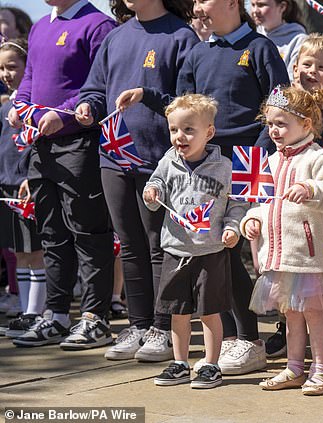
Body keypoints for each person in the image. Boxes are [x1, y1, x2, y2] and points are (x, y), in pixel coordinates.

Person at [76, 0, 200, 362]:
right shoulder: (115, 37)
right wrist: (88, 106)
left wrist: (148, 97)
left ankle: (163, 327)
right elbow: (94, 88)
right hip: (113, 157)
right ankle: (139, 323)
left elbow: (188, 102)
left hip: (160, 159)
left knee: (157, 245)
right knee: (128, 244)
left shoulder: (181, 35)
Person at [174, 0, 289, 376]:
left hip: (246, 164)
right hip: (204, 165)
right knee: (211, 252)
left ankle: (249, 339)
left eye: (203, 0)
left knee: (230, 251)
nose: (197, 7)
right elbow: (183, 107)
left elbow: (279, 103)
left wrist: (255, 153)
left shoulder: (259, 48)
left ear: (230, 3)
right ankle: (229, 339)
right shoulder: (196, 53)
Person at [10, 0, 116, 350]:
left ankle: (94, 318)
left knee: (87, 231)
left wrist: (66, 115)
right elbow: (30, 77)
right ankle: (56, 314)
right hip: (41, 145)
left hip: (80, 143)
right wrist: (19, 105)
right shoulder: (41, 26)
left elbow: (100, 85)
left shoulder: (97, 25)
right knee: (51, 232)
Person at [242, 85, 323, 396]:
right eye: (271, 123)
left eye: (282, 123)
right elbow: (259, 202)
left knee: (315, 313)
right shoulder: (270, 162)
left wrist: (312, 189)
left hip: (308, 255)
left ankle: (320, 369)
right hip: (279, 255)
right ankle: (294, 366)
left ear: (306, 124)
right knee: (290, 315)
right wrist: (252, 221)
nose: (274, 130)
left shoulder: (318, 157)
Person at [144, 94, 246, 388]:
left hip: (210, 250)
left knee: (210, 311)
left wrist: (232, 227)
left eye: (189, 130)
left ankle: (211, 365)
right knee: (178, 311)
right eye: (174, 130)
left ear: (209, 132)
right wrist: (152, 193)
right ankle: (179, 363)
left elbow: (235, 203)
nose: (180, 136)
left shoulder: (224, 167)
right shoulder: (168, 161)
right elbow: (156, 186)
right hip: (176, 249)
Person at [265, 33, 323, 364]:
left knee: (317, 286)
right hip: (284, 206)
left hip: (315, 208)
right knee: (287, 282)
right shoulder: (281, 103)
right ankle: (287, 335)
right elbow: (263, 150)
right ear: (294, 66)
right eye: (306, 63)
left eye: (321, 66)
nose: (312, 71)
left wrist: (312, 184)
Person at [0, 38, 46, 337]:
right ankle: (25, 312)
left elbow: (37, 146)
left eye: (12, 67)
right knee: (18, 252)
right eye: (1, 68)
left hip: (25, 187)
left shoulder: (33, 105)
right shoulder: (5, 105)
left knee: (34, 253)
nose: (6, 73)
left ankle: (35, 314)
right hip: (5, 187)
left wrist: (32, 176)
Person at [250, 0, 307, 81]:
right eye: (253, 5)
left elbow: (293, 79)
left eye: (261, 5)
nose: (255, 10)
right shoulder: (251, 35)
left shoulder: (298, 40)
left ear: (282, 7)